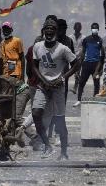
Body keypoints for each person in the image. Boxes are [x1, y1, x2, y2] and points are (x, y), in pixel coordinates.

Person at [31, 19, 79, 160]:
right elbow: (34, 65)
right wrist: (43, 80)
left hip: (58, 88)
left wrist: (62, 78)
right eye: (47, 28)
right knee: (35, 113)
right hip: (43, 87)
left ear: (56, 31)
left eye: (52, 28)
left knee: (60, 121)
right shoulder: (38, 47)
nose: (49, 31)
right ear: (43, 30)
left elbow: (77, 64)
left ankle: (64, 152)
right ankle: (47, 145)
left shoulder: (62, 48)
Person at [0, 21, 25, 122]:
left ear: (11, 30)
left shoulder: (17, 41)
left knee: (15, 96)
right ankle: (6, 119)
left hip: (16, 73)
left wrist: (23, 75)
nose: (6, 31)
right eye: (4, 29)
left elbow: (22, 58)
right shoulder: (2, 43)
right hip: (6, 73)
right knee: (5, 97)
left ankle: (15, 119)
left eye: (7, 29)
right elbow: (2, 60)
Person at [74, 23, 104, 106]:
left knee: (96, 83)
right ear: (91, 29)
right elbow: (83, 53)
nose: (95, 29)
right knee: (81, 82)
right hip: (86, 64)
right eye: (93, 28)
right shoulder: (86, 39)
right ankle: (79, 100)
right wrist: (79, 67)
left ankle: (95, 99)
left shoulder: (100, 40)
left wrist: (100, 69)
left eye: (96, 28)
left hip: (96, 65)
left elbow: (102, 57)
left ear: (98, 29)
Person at [56, 19, 75, 100]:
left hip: (64, 72)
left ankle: (62, 110)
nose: (63, 31)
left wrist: (74, 71)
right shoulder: (52, 40)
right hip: (52, 71)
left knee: (64, 92)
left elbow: (73, 59)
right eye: (61, 29)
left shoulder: (69, 41)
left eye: (65, 29)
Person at [70, 22, 85, 94]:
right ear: (74, 28)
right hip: (71, 57)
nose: (77, 28)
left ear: (81, 28)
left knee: (77, 72)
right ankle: (81, 85)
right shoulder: (70, 37)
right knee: (75, 72)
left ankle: (76, 88)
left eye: (79, 27)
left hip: (80, 57)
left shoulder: (83, 37)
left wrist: (81, 57)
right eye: (76, 27)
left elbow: (84, 48)